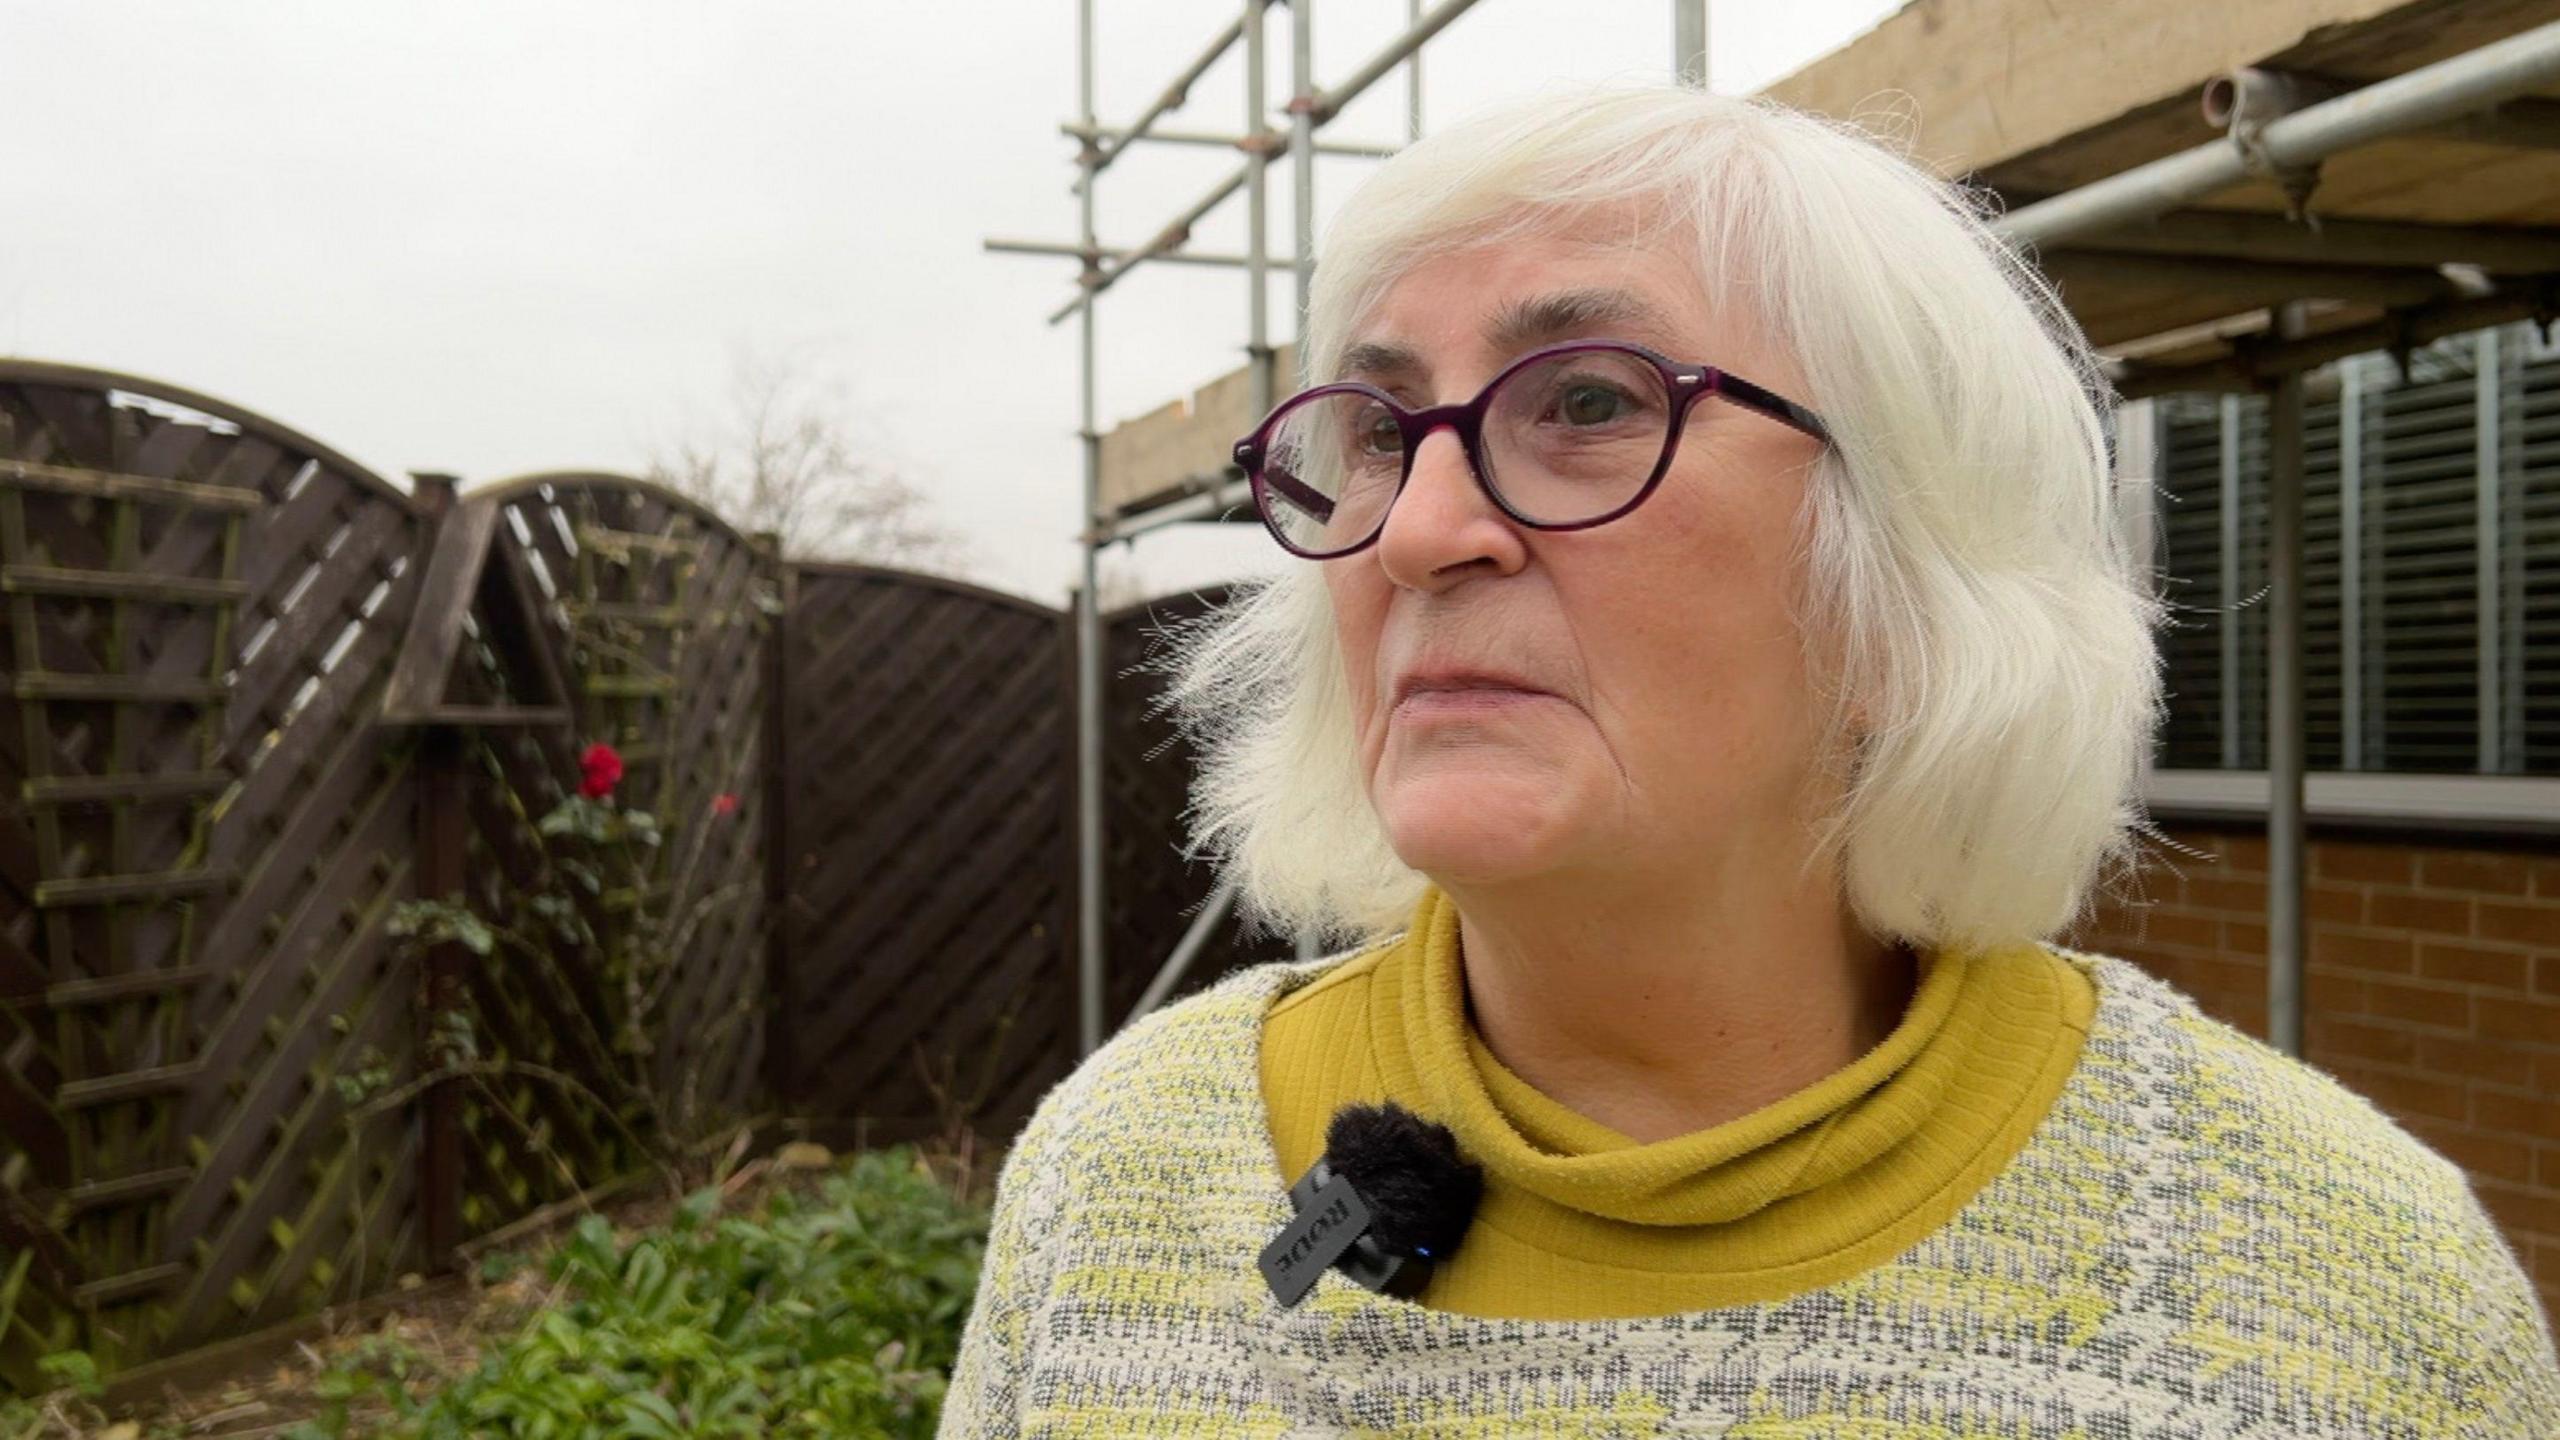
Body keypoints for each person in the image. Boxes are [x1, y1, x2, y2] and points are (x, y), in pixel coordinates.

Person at [939, 84, 2560, 1436]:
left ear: (1906, 565)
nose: (1422, 529)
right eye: (1377, 429)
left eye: (1584, 398)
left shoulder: (2352, 1294)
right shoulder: (1120, 1181)